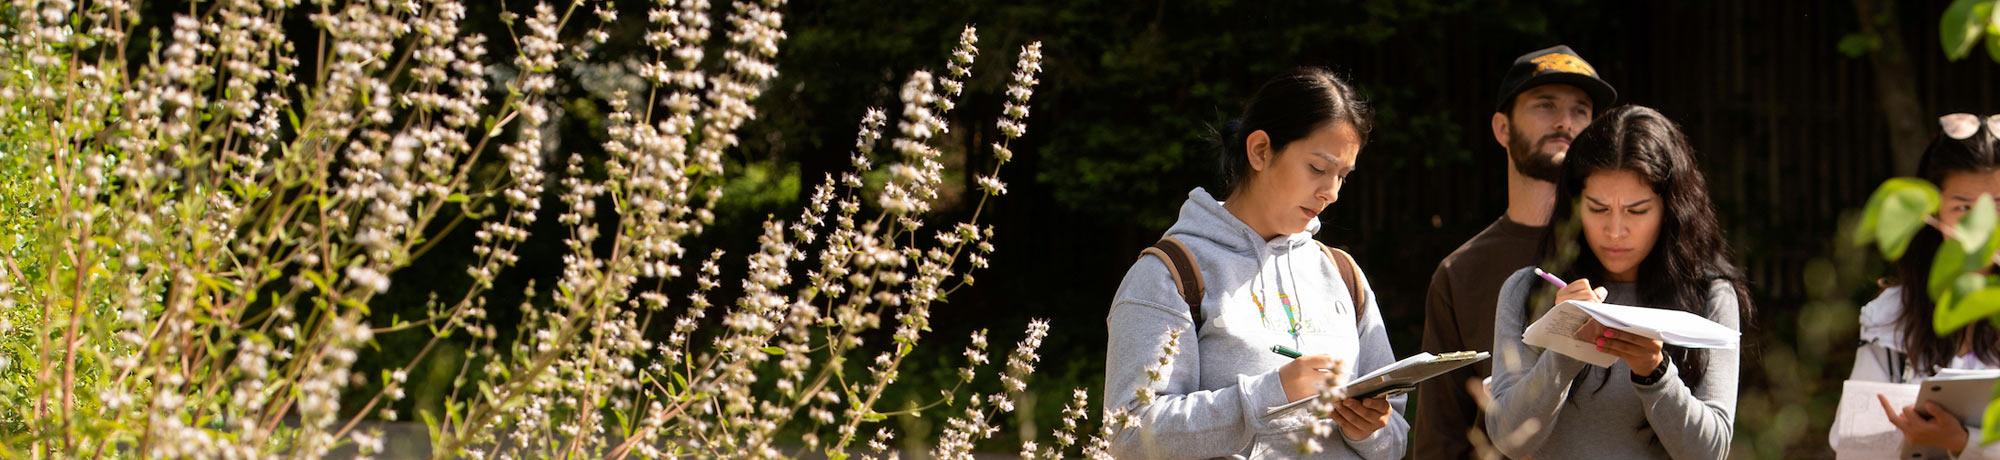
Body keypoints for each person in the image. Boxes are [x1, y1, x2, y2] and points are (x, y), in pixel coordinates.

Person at [1103, 67, 1406, 459]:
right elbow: (1128, 435)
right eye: (1318, 168)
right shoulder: (1170, 275)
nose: (1331, 192)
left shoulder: (1342, 274)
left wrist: (1373, 431)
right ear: (1260, 150)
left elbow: (1396, 438)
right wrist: (1270, 395)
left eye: (1342, 176)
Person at [1486, 105, 1749, 459]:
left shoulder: (1709, 297)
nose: (1615, 230)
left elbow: (1710, 451)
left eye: (1637, 211)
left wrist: (1655, 372)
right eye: (1597, 209)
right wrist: (1565, 344)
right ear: (1574, 206)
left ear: (1671, 209)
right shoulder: (1527, 290)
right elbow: (1508, 438)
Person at [1414, 44, 1617, 458]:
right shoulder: (1461, 271)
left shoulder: (1621, 251)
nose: (1565, 122)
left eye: (1581, 110)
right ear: (1502, 128)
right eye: (1545, 106)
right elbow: (1440, 436)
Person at [1842, 113, 2000, 458]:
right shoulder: (1894, 314)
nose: (1982, 228)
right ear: (1934, 212)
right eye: (1963, 207)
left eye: (1998, 207)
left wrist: (1962, 441)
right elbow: (1849, 442)